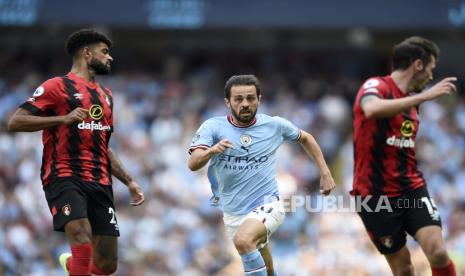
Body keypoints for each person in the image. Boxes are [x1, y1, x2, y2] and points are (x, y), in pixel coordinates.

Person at [7, 29, 145, 276]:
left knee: (107, 264)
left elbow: (102, 145)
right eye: (104, 52)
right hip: (64, 175)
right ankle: (78, 262)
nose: (110, 57)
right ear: (86, 52)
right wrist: (63, 119)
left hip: (99, 181)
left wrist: (130, 181)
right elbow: (15, 122)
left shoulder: (107, 96)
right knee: (82, 238)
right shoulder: (56, 86)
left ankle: (72, 265)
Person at [188, 74, 336, 276]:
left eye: (250, 98)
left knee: (244, 241)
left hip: (268, 204)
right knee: (262, 261)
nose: (245, 103)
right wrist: (212, 150)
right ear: (227, 102)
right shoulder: (212, 127)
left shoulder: (274, 125)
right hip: (234, 213)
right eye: (238, 99)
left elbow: (306, 138)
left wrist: (325, 172)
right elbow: (193, 163)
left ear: (259, 98)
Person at [352, 36, 457, 276]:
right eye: (430, 69)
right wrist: (424, 96)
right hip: (373, 195)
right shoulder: (377, 87)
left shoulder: (411, 103)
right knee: (404, 269)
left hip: (411, 187)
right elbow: (371, 109)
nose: (431, 77)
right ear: (418, 65)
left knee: (438, 252)